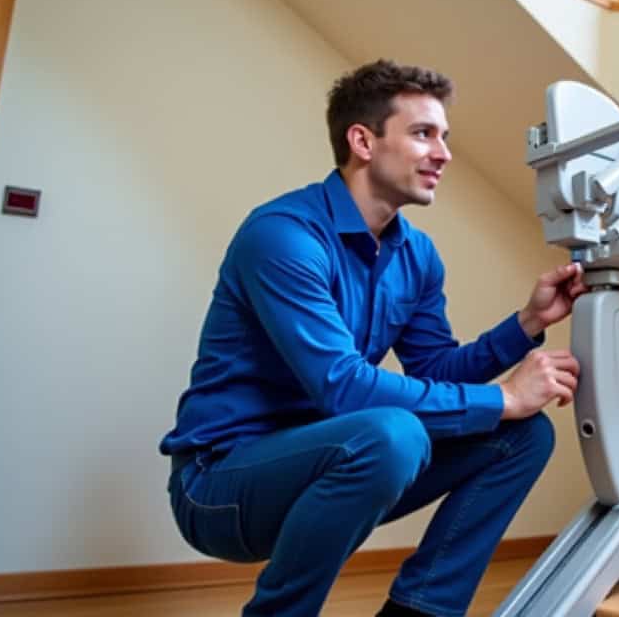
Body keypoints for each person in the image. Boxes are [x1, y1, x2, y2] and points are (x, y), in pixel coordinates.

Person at [159, 60, 585, 617]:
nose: (444, 153)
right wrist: (503, 396)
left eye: (444, 137)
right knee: (393, 434)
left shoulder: (416, 256)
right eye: (423, 134)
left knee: (522, 437)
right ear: (363, 140)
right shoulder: (283, 235)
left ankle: (420, 611)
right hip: (219, 487)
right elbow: (343, 389)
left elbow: (433, 371)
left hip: (339, 459)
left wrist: (527, 324)